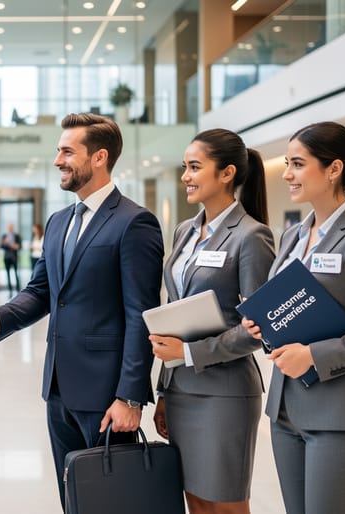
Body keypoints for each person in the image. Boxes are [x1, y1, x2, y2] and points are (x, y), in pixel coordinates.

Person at [0, 113, 164, 509]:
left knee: (111, 504)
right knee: (73, 499)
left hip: (107, 395)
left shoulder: (134, 223)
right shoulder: (58, 223)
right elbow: (40, 292)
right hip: (59, 390)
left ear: (99, 157)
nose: (58, 160)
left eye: (67, 152)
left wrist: (130, 396)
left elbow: (140, 315)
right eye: (58, 151)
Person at [242, 121, 345, 514]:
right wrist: (263, 324)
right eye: (287, 163)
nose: (287, 174)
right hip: (285, 410)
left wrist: (314, 356)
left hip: (339, 414)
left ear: (334, 169)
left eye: (298, 164)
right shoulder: (293, 236)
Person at [149, 129, 273, 514]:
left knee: (226, 503)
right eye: (185, 167)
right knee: (197, 501)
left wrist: (188, 352)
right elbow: (176, 313)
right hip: (181, 390)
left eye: (194, 167)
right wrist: (164, 390)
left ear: (226, 173)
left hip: (225, 393)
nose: (185, 176)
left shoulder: (252, 236)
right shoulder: (184, 231)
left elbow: (260, 328)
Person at [0, 222, 21, 294]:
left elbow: (19, 246)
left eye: (11, 227)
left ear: (13, 227)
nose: (10, 228)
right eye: (9, 227)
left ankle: (18, 287)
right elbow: (1, 246)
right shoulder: (4, 236)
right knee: (8, 273)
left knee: (16, 273)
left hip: (14, 257)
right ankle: (10, 288)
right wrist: (5, 243)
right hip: (7, 258)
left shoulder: (17, 236)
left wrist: (16, 246)